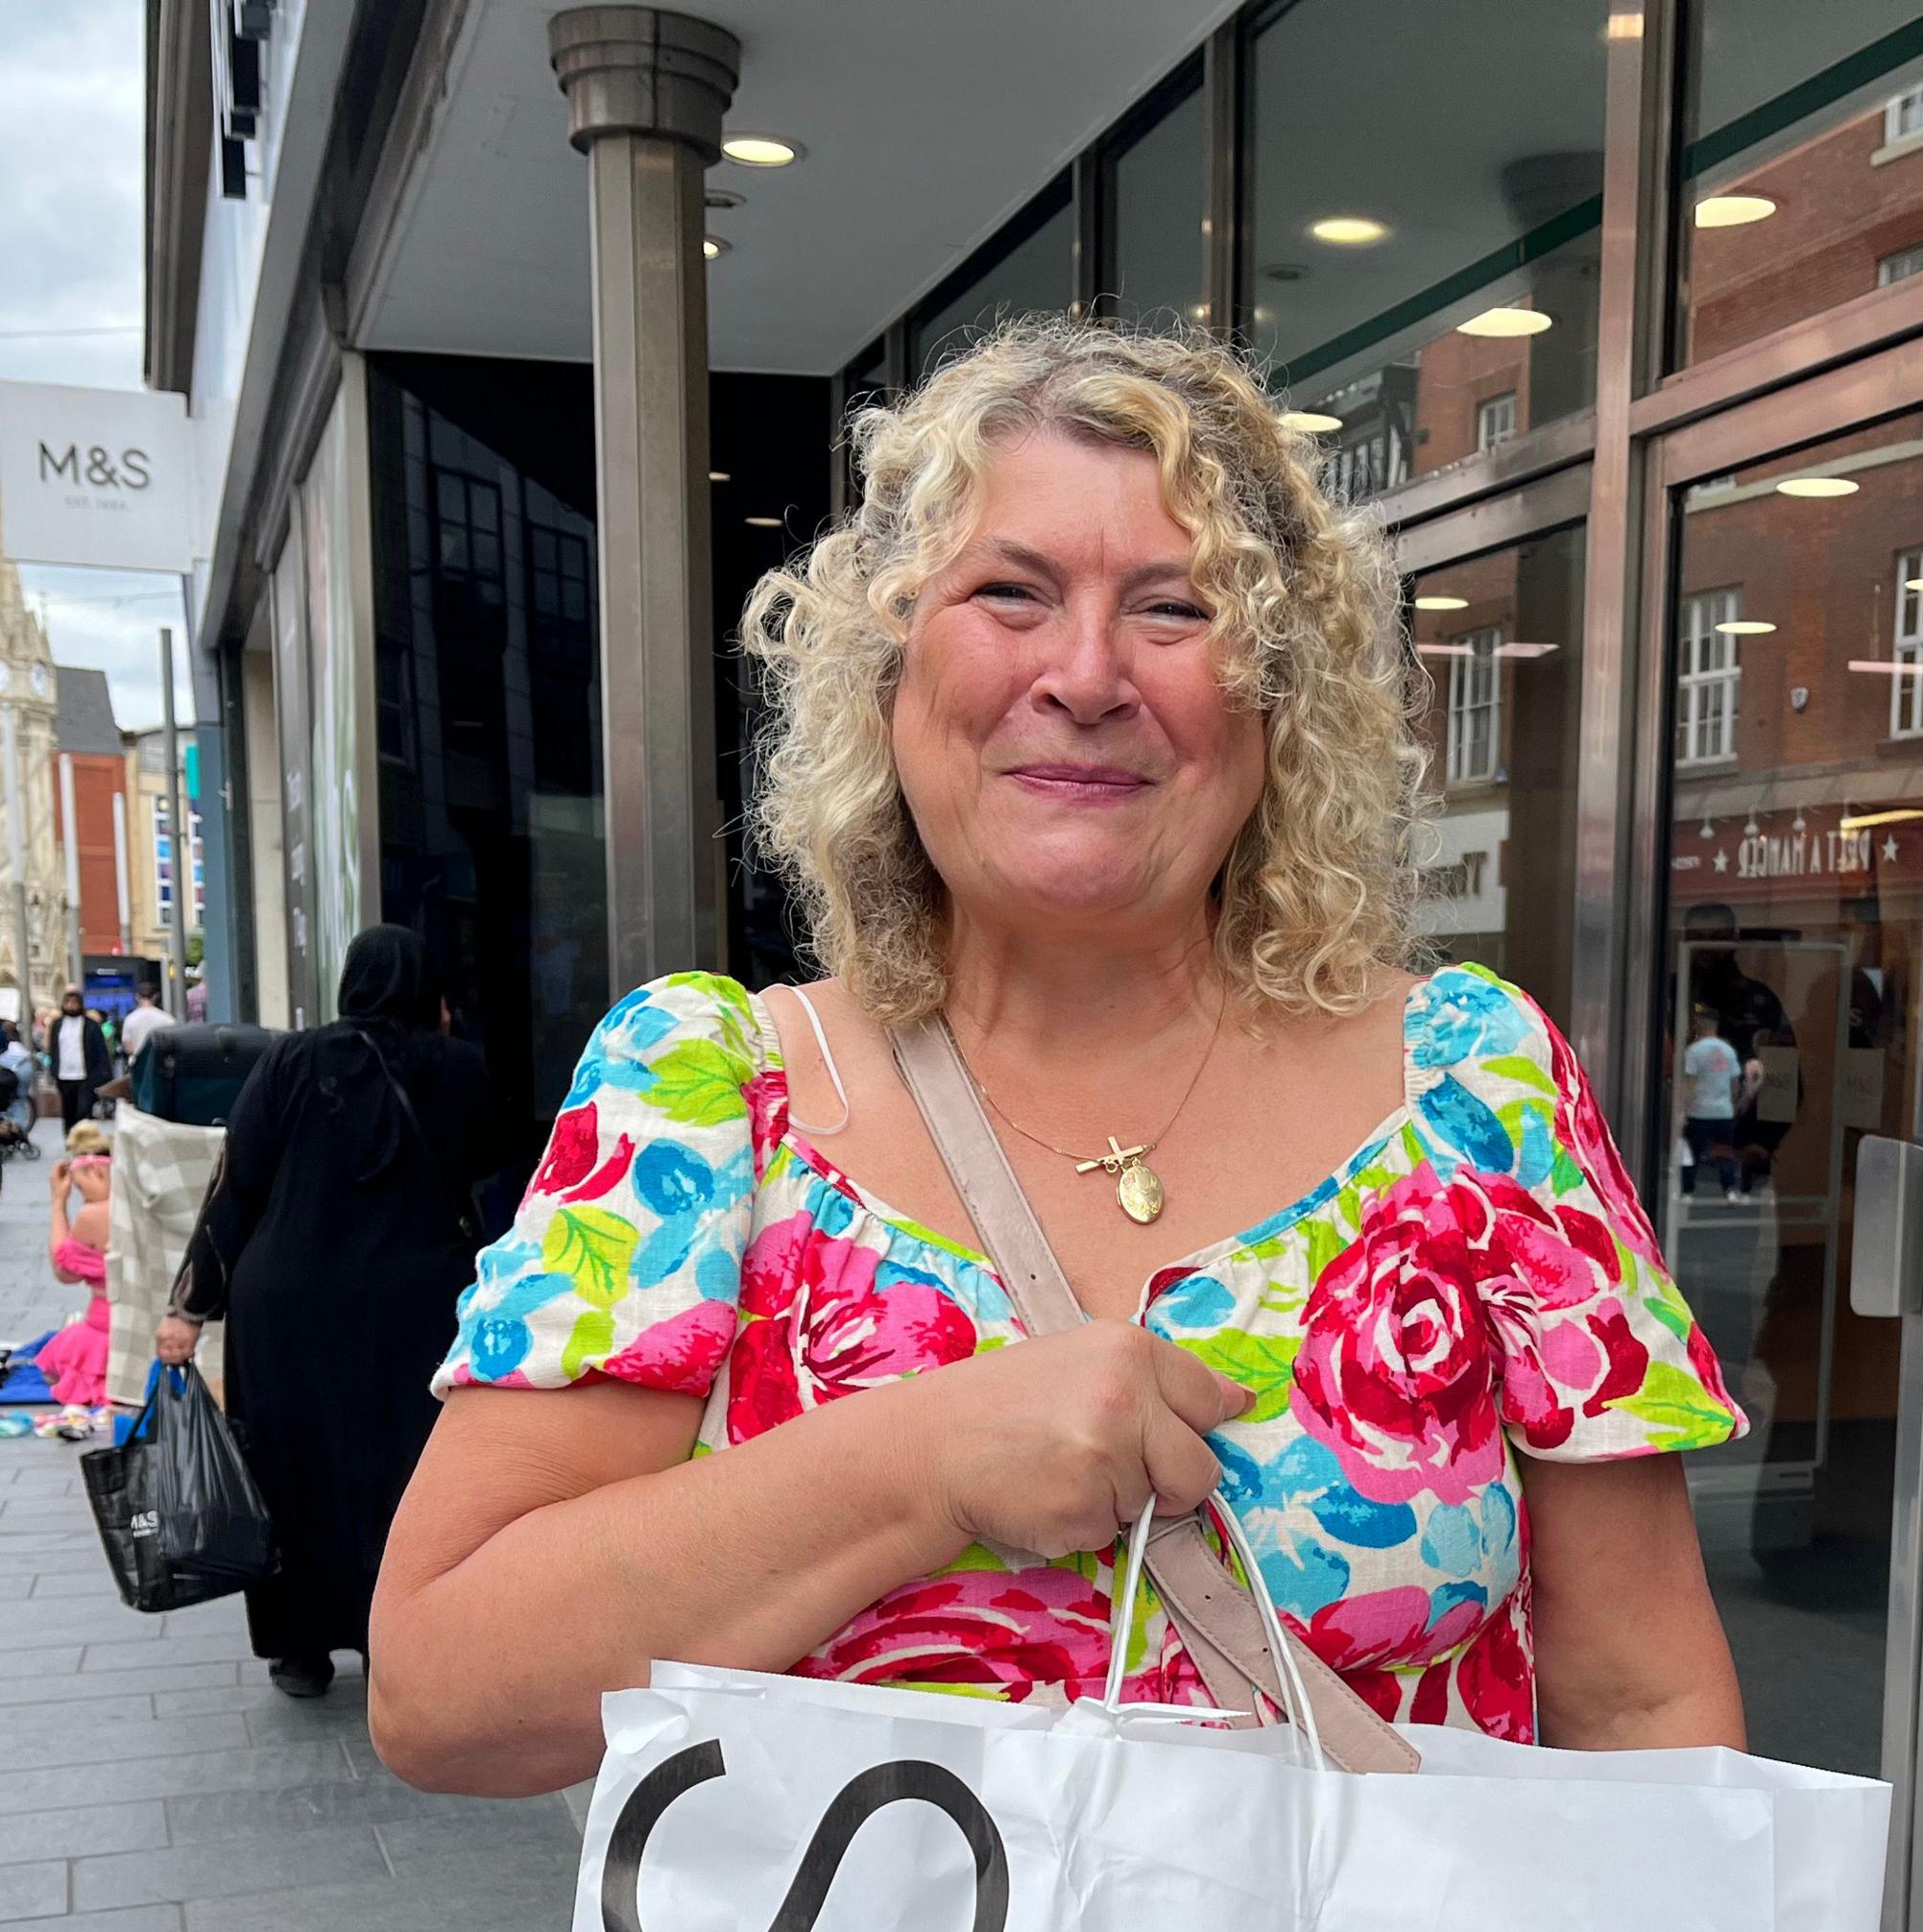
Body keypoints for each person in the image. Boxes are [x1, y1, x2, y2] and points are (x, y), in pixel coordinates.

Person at [367, 317, 1748, 1796]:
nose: (1087, 674)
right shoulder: (707, 1092)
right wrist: (925, 1462)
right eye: (1011, 594)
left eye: (1174, 609)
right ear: (888, 679)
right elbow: (444, 1694)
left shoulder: (1474, 1083)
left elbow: (1648, 1699)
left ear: (1278, 700)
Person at [156, 925, 487, 1701]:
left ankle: (297, 1648)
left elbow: (236, 1186)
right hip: (414, 1306)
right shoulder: (459, 1067)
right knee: (403, 1472)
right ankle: (390, 1639)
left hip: (287, 1307)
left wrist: (189, 1307)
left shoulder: (290, 1060)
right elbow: (489, 1166)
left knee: (287, 1467)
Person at [36, 1120, 115, 1405]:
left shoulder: (93, 1215)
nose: (82, 1198)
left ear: (97, 1172)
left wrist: (58, 1203)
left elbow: (64, 1271)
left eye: (81, 1189)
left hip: (107, 1329)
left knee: (58, 1361)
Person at [1677, 1004, 1742, 1195]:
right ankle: (1729, 1188)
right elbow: (1735, 1082)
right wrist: (1734, 1104)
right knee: (1724, 1151)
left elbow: (1690, 1083)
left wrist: (1684, 1109)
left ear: (1701, 1025)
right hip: (1723, 1111)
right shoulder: (1728, 1051)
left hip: (1699, 1111)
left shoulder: (1694, 1051)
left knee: (1692, 1154)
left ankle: (1687, 1191)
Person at [45, 989, 112, 1135]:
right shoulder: (57, 1025)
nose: (71, 1006)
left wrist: (102, 1074)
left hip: (85, 1076)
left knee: (83, 1111)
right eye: (68, 1003)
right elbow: (53, 1049)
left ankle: (84, 1142)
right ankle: (70, 1140)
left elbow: (100, 1051)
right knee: (68, 1112)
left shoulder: (91, 1026)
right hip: (64, 1076)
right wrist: (52, 1070)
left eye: (75, 1003)